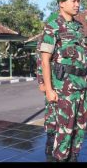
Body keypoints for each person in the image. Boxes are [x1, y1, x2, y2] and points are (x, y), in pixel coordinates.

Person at [40, 0, 87, 162]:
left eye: (78, 1)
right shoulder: (53, 26)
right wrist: (49, 89)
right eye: (73, 1)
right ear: (61, 4)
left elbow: (73, 53)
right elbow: (45, 60)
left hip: (81, 84)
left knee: (79, 127)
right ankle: (60, 158)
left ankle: (73, 157)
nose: (77, 4)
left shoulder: (78, 27)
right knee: (64, 128)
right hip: (64, 86)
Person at [36, 13, 58, 157]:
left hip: (60, 82)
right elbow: (41, 63)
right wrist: (42, 82)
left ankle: (57, 142)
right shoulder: (44, 40)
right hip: (50, 83)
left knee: (59, 115)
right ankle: (49, 144)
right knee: (51, 114)